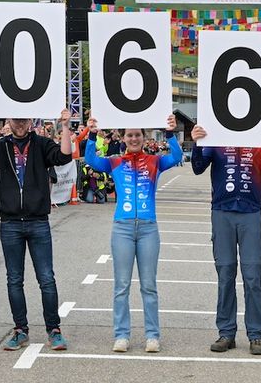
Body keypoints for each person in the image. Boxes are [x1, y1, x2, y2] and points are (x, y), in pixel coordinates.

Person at [0, 108, 75, 352]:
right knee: (14, 279)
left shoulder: (41, 144)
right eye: (15, 119)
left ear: (31, 120)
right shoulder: (1, 145)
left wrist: (64, 126)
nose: (19, 124)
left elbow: (64, 156)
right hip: (10, 223)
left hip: (38, 221)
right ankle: (20, 330)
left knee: (46, 278)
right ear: (9, 120)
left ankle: (54, 330)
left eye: (23, 119)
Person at [84, 115, 181, 353]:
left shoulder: (155, 161)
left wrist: (170, 133)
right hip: (122, 228)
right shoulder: (115, 161)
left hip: (148, 228)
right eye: (130, 135)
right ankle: (121, 335)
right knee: (121, 286)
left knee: (149, 285)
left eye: (138, 135)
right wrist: (92, 133)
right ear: (124, 138)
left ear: (144, 138)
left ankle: (152, 336)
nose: (134, 138)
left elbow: (177, 157)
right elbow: (91, 160)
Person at [191, 125, 261, 356]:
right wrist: (197, 143)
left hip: (250, 211)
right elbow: (197, 167)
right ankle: (226, 332)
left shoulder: (260, 138)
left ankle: (255, 334)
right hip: (222, 210)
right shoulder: (216, 137)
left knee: (253, 275)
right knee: (225, 273)